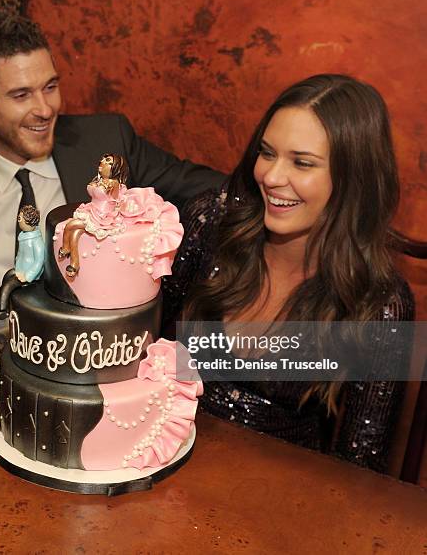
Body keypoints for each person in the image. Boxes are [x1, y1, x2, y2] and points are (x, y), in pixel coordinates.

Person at [0, 12, 225, 374]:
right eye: (20, 95)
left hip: (104, 369)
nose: (45, 109)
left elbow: (208, 188)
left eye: (50, 87)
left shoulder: (107, 141)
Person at [162, 74, 415, 472]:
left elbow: (359, 469)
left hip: (278, 501)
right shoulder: (210, 223)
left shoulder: (378, 303)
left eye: (302, 162)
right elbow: (141, 353)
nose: (272, 177)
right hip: (164, 462)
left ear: (353, 178)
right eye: (267, 153)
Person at [58, 153, 128, 277]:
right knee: (75, 234)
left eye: (108, 161)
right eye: (102, 160)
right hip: (91, 210)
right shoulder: (98, 180)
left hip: (102, 216)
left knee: (71, 225)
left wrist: (105, 184)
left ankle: (65, 248)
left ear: (116, 167)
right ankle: (74, 263)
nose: (102, 162)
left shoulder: (113, 183)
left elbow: (110, 190)